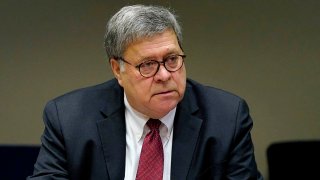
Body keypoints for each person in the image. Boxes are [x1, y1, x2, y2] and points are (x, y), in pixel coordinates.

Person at [28, 4, 263, 180]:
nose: (164, 75)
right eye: (147, 65)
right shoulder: (69, 119)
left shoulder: (226, 118)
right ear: (117, 70)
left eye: (172, 59)